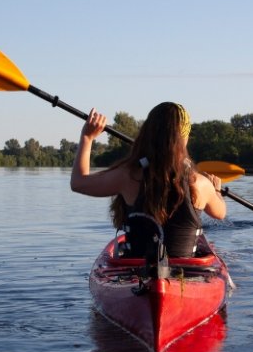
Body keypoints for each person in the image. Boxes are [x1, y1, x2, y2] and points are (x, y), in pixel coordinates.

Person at [71, 101, 226, 259]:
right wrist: (216, 190)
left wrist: (87, 137)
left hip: (136, 273)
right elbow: (220, 213)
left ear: (147, 133)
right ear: (185, 138)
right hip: (186, 274)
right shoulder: (200, 183)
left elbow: (78, 182)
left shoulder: (127, 176)